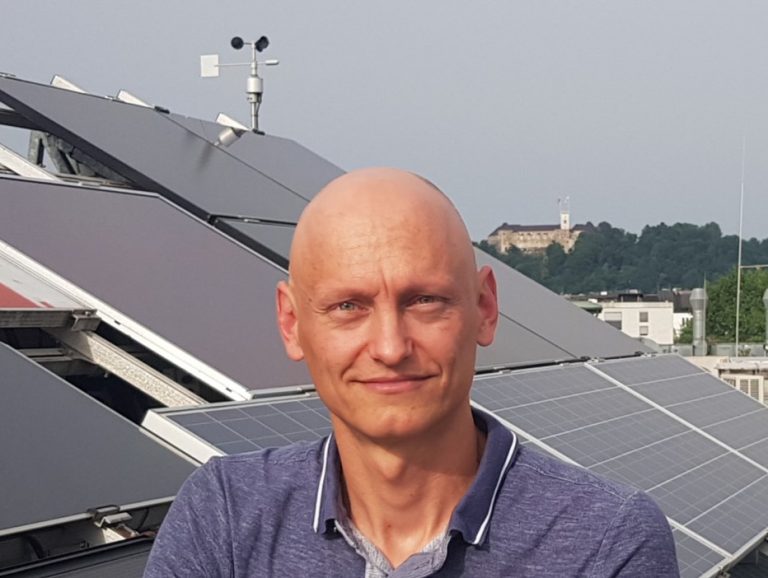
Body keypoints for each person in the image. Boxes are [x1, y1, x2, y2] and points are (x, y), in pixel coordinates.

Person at [144, 168, 679, 577]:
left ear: (485, 309)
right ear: (292, 324)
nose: (390, 347)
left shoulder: (604, 542)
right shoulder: (227, 514)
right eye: (348, 306)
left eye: (424, 300)